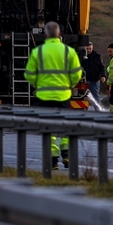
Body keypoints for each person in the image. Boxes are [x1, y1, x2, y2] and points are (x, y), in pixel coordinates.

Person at [24, 21, 83, 169]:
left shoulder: (38, 52)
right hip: (63, 95)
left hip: (44, 96)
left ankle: (52, 160)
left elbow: (29, 74)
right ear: (60, 34)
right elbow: (77, 74)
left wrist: (38, 84)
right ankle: (67, 154)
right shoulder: (68, 51)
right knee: (65, 124)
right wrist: (69, 85)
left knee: (48, 127)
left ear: (45, 34)